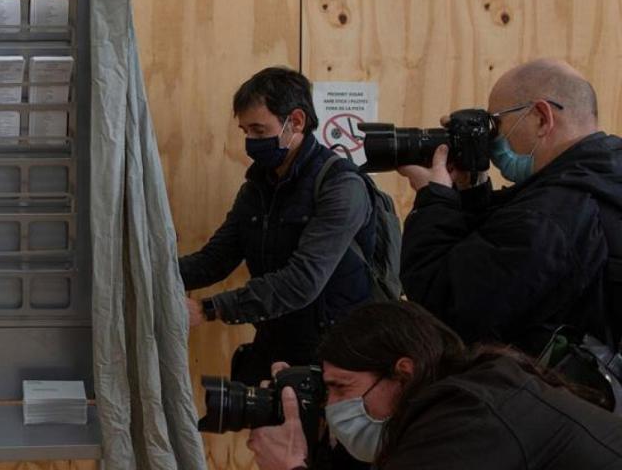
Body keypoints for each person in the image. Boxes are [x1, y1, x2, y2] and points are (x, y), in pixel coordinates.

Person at [395, 58, 622, 357]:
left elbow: (446, 307)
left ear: (542, 118)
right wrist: (471, 190)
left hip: (555, 393)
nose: (493, 140)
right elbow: (500, 256)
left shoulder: (549, 216)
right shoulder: (602, 177)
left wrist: (433, 200)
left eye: (496, 124)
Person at [248, 301, 622, 470]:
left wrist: (289, 466)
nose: (333, 406)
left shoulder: (467, 422)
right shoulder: (467, 392)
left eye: (341, 388)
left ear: (403, 372)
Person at [180, 66, 374, 382]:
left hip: (337, 357)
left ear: (295, 121)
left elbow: (303, 280)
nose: (251, 143)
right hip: (276, 342)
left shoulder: (341, 186)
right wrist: (150, 274)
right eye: (246, 132)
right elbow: (215, 259)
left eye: (259, 130)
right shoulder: (257, 188)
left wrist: (209, 309)